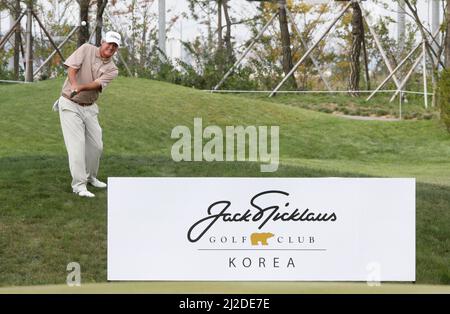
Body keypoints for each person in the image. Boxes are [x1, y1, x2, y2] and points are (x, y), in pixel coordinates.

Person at [54, 31, 121, 197]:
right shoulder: (86, 49)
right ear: (102, 41)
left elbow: (97, 84)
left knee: (96, 146)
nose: (111, 47)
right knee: (77, 146)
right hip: (70, 104)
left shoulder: (112, 69)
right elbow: (72, 68)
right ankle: (79, 186)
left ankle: (91, 177)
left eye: (115, 46)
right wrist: (74, 84)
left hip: (90, 107)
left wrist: (81, 88)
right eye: (109, 43)